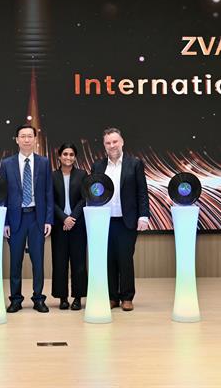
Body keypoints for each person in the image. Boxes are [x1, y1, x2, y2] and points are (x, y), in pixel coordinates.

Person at [91, 128, 150, 311]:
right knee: (108, 259)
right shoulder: (98, 166)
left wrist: (143, 216)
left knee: (125, 258)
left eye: (115, 142)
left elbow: (142, 192)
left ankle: (127, 297)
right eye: (108, 143)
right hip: (104, 221)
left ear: (122, 142)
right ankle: (112, 297)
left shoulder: (135, 164)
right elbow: (92, 193)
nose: (112, 146)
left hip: (127, 220)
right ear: (104, 146)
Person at [0, 124, 54, 313]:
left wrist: (48, 220)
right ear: (17, 140)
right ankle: (15, 299)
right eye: (22, 136)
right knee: (15, 262)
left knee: (38, 261)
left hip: (37, 218)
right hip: (16, 219)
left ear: (35, 139)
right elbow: (2, 195)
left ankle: (38, 298)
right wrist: (5, 222)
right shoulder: (6, 164)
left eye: (30, 136)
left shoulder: (44, 162)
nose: (26, 139)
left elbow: (48, 192)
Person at [51, 143, 88, 310]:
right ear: (59, 156)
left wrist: (72, 218)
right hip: (60, 225)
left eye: (71, 154)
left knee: (78, 262)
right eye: (65, 154)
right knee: (59, 262)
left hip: (77, 225)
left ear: (75, 157)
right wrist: (64, 218)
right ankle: (63, 298)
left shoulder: (82, 174)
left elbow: (84, 198)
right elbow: (50, 200)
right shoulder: (52, 176)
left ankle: (77, 298)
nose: (68, 157)